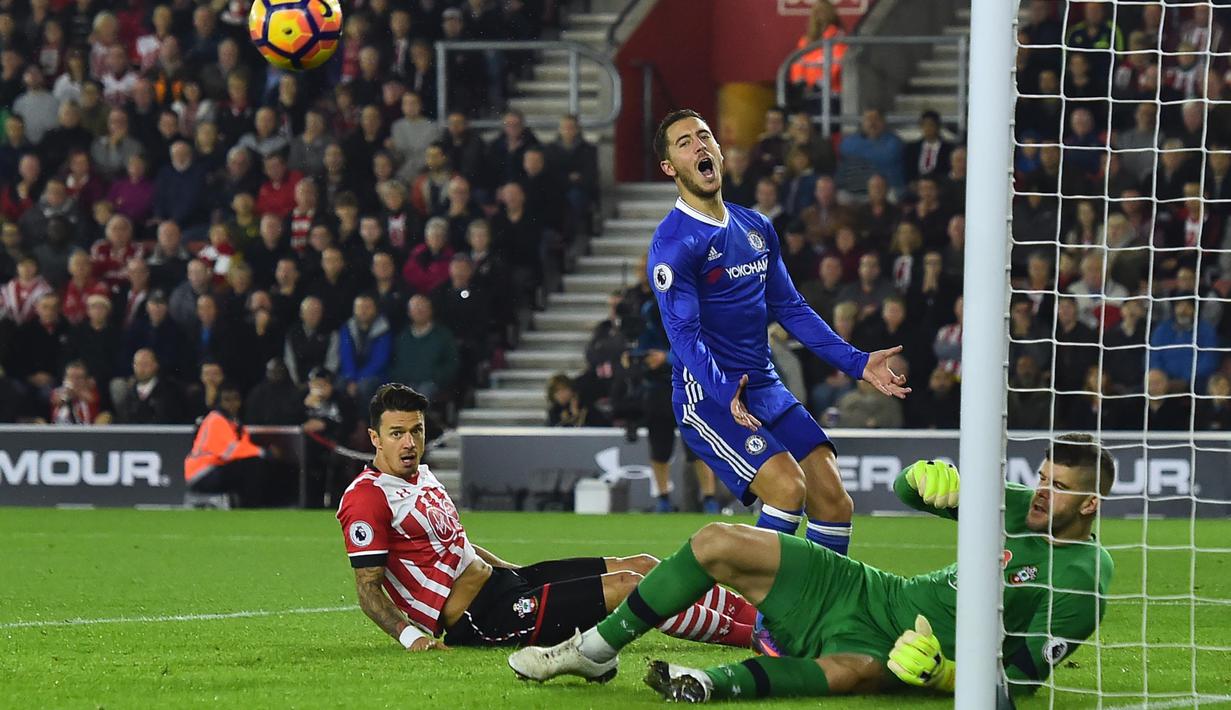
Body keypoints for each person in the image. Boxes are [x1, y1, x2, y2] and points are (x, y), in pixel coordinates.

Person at [509, 435, 1115, 705]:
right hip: (869, 591)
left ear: (1089, 506)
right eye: (1039, 476)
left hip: (905, 650)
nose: (1038, 493)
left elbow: (1024, 685)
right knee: (720, 539)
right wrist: (925, 477)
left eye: (1056, 488)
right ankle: (594, 649)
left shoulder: (1084, 580)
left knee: (850, 672)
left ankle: (715, 684)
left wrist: (945, 678)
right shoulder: (1020, 507)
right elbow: (910, 493)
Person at [642, 110, 908, 554]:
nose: (700, 146)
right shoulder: (674, 244)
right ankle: (760, 622)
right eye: (684, 142)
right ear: (670, 167)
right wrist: (724, 391)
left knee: (835, 502)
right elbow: (684, 336)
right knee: (786, 489)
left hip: (764, 384)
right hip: (708, 394)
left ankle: (820, 616)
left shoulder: (756, 227)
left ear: (721, 152)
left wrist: (857, 361)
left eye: (705, 136)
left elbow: (791, 308)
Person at [336, 383, 758, 652]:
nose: (410, 443)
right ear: (375, 438)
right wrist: (413, 639)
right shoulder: (368, 498)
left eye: (417, 431)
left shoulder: (422, 476)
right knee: (631, 587)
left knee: (644, 563)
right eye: (397, 434)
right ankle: (755, 639)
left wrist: (516, 572)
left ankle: (758, 617)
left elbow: (457, 546)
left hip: (507, 584)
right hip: (481, 617)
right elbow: (367, 588)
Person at [184, 382, 281, 508]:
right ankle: (248, 506)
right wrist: (264, 452)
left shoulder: (233, 422)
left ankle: (244, 502)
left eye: (235, 399)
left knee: (255, 464)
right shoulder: (216, 420)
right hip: (202, 472)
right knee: (252, 466)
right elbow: (231, 451)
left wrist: (263, 453)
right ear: (220, 402)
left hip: (211, 469)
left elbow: (244, 447)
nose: (232, 404)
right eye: (227, 400)